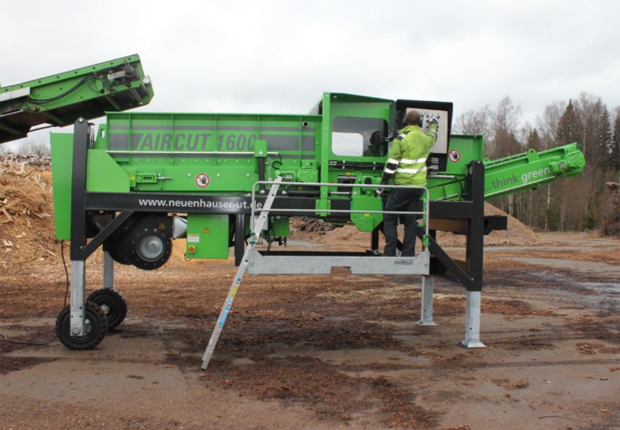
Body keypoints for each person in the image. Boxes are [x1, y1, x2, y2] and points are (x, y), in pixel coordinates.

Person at [377, 110, 438, 257]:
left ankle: (390, 252)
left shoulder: (400, 139)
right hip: (418, 188)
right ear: (420, 123)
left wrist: (381, 186)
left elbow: (391, 165)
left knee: (390, 217)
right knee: (410, 220)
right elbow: (433, 136)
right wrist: (434, 124)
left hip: (402, 186)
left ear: (406, 122)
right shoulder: (425, 139)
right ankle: (408, 253)